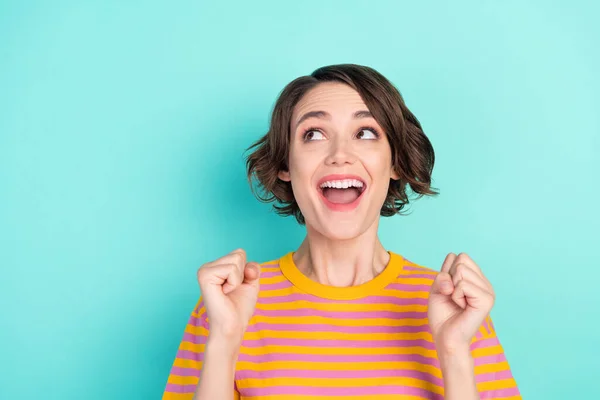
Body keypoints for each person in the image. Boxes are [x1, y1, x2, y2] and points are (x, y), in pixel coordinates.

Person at [162, 65, 521, 400]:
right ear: (286, 163)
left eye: (365, 132)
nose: (339, 155)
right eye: (314, 134)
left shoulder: (457, 309)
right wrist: (224, 341)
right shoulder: (226, 303)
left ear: (395, 162)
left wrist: (455, 352)